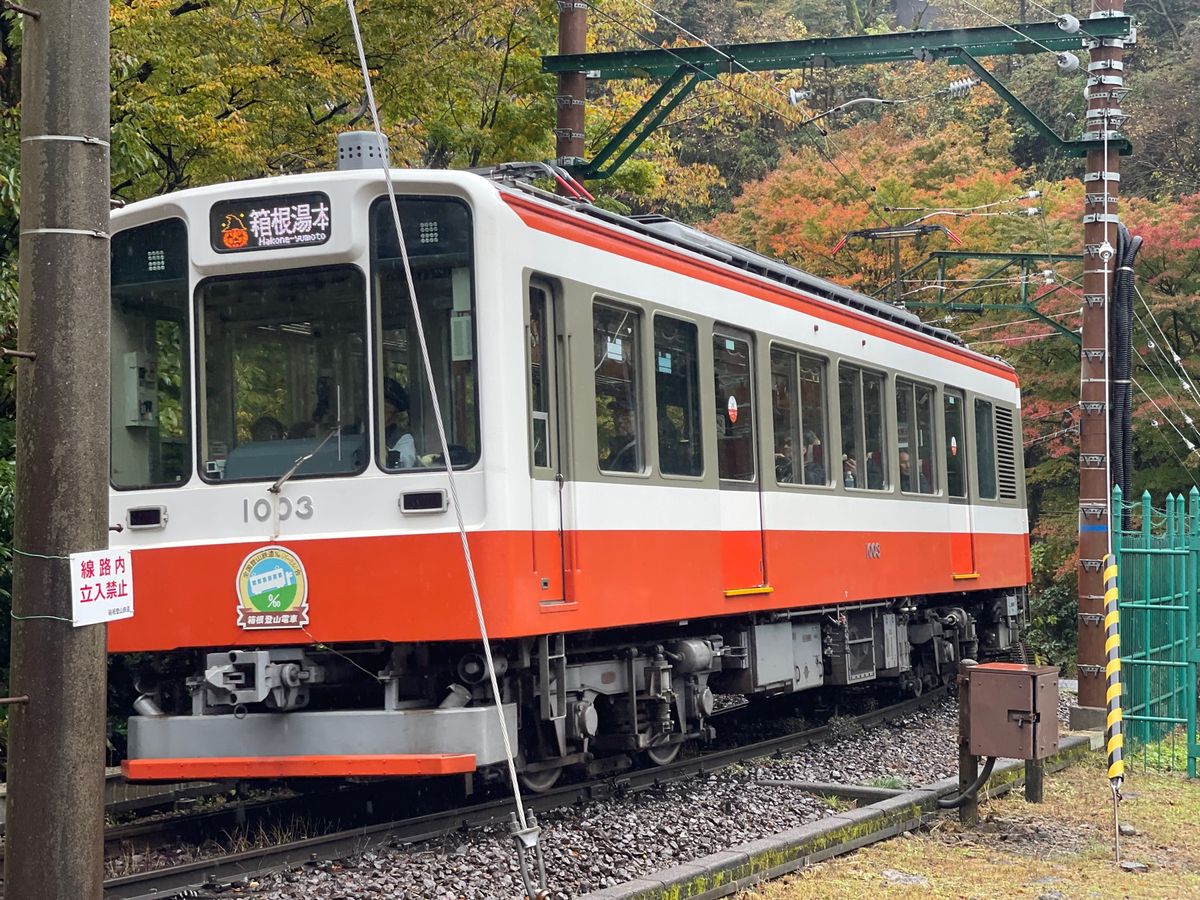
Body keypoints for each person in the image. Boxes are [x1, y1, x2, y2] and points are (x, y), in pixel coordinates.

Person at [383, 377, 420, 468]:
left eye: (386, 408)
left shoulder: (403, 438)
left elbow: (405, 463)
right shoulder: (350, 431)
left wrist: (386, 453)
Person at [604, 401, 639, 472]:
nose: (619, 420)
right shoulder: (618, 450)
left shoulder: (640, 450)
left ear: (640, 418)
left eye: (626, 414)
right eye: (616, 414)